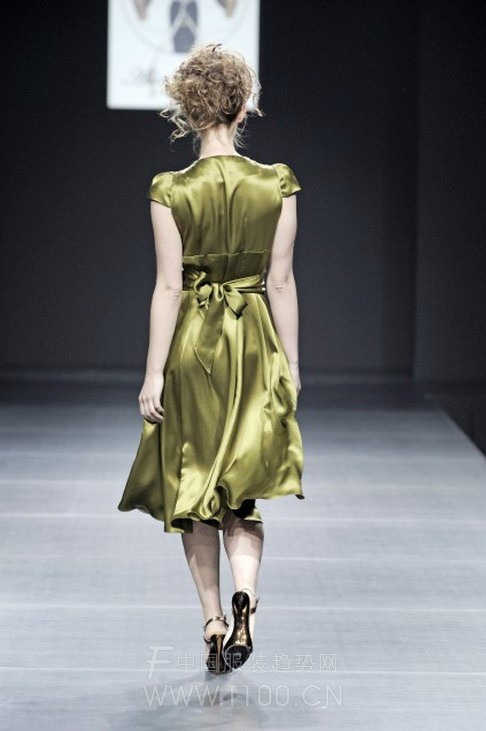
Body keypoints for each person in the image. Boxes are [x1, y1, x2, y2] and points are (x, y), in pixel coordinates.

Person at [117, 42, 305, 675]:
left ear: (188, 111)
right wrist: (291, 364)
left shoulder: (170, 190)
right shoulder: (276, 183)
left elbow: (168, 287)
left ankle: (214, 621)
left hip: (195, 345)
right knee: (241, 488)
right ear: (243, 108)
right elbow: (281, 282)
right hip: (254, 343)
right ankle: (247, 593)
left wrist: (152, 373)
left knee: (195, 484)